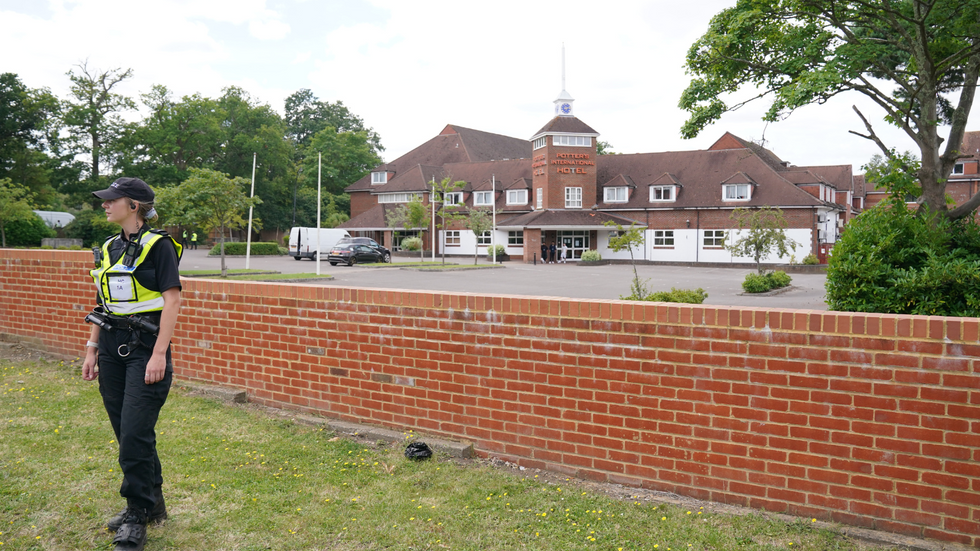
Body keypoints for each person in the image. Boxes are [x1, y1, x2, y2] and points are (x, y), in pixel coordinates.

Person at [82, 177, 182, 551]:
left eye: (112, 200)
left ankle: (136, 513)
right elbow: (103, 300)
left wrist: (159, 353)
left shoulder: (160, 247)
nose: (105, 205)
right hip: (110, 345)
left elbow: (172, 302)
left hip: (145, 346)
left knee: (135, 433)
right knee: (127, 430)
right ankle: (153, 504)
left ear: (134, 206)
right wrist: (92, 347)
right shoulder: (109, 247)